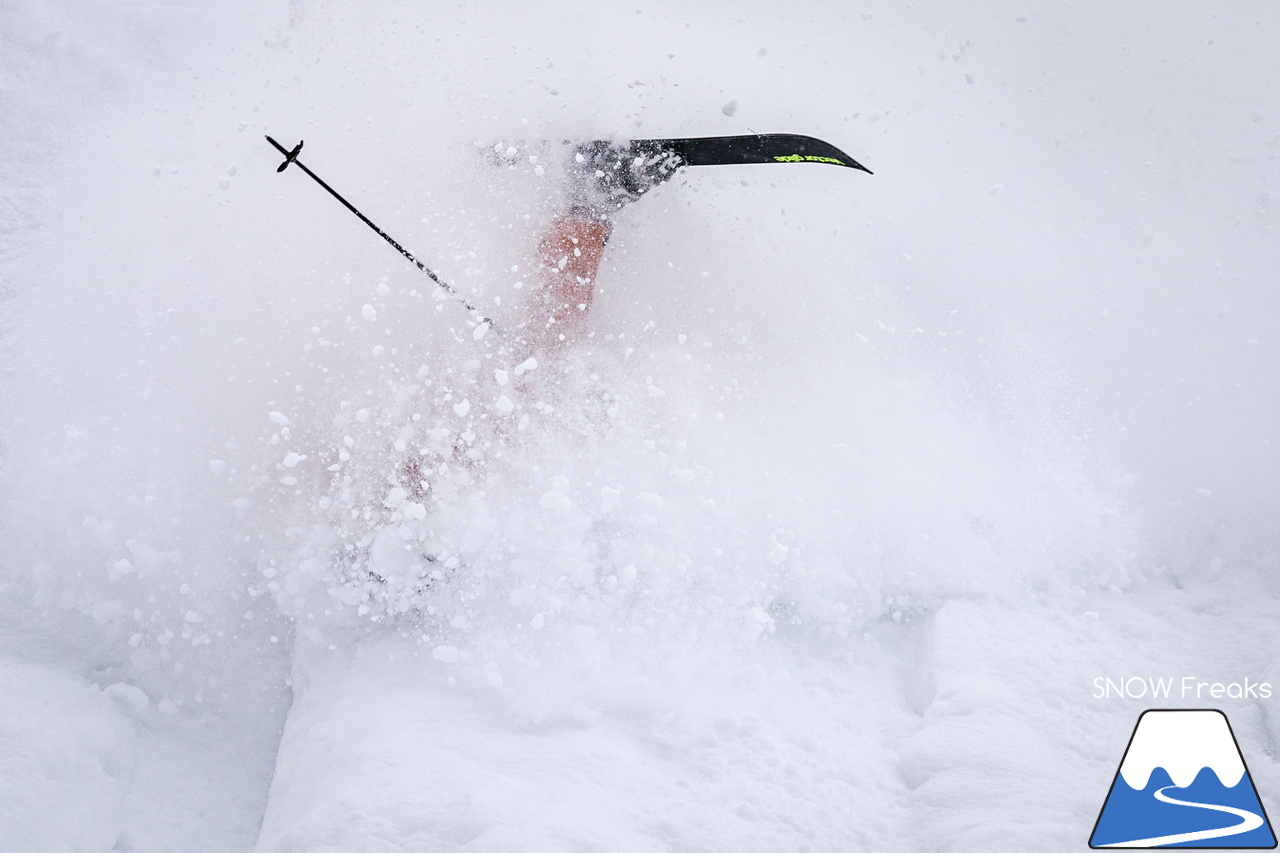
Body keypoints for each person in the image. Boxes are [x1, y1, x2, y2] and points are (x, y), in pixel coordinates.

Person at [524, 141, 682, 349]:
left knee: (569, 280)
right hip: (580, 231)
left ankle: (619, 181)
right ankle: (621, 182)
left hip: (572, 233)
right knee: (575, 286)